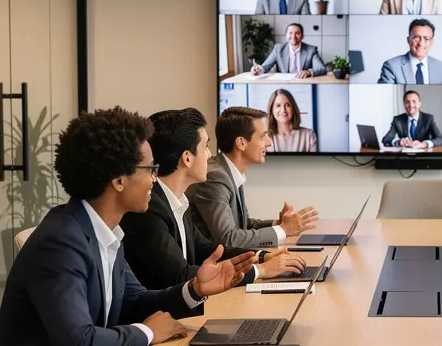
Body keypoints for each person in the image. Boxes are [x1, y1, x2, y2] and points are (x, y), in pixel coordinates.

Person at [0, 107, 259, 346]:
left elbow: (135, 300)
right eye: (149, 169)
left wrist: (194, 289)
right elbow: (79, 345)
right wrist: (149, 333)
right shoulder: (61, 242)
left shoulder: (104, 231)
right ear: (119, 180)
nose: (156, 177)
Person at [122, 108, 309, 290]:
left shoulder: (177, 201)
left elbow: (207, 248)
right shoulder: (149, 208)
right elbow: (179, 275)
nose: (210, 155)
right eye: (205, 147)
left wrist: (260, 256)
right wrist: (259, 270)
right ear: (187, 158)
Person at [188, 106, 319, 249]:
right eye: (263, 136)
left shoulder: (227, 171)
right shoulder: (216, 177)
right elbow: (229, 238)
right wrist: (284, 230)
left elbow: (244, 225)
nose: (269, 142)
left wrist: (279, 224)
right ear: (241, 143)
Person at [378, 18, 442, 84]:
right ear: (408, 40)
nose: (421, 43)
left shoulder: (440, 66)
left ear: (431, 42)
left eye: (426, 38)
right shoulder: (391, 66)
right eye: (416, 37)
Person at [251, 23, 326, 78]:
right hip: (284, 85)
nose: (293, 36)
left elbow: (322, 68)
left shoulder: (311, 50)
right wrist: (258, 69)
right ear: (286, 35)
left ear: (302, 36)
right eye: (290, 33)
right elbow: (265, 67)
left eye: (297, 33)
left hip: (304, 83)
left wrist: (309, 72)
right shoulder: (278, 49)